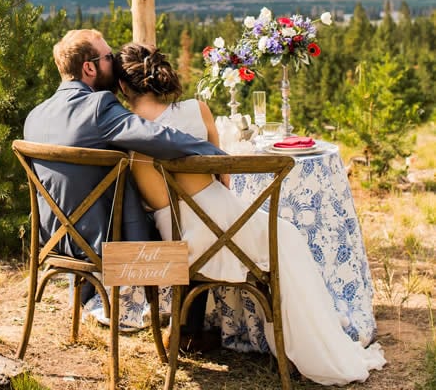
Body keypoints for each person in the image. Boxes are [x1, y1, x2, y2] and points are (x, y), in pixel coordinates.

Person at [114, 42, 387, 386]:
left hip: (175, 240)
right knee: (287, 239)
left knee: (274, 237)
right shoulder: (196, 110)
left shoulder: (122, 131)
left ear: (123, 86)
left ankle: (199, 328)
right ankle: (298, 345)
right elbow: (224, 176)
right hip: (220, 224)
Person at [23, 29, 224, 345]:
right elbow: (157, 137)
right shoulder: (98, 106)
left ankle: (178, 327)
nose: (113, 64)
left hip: (55, 242)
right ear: (89, 68)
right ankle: (189, 333)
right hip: (112, 250)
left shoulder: (35, 116)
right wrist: (215, 155)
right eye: (107, 58)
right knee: (190, 227)